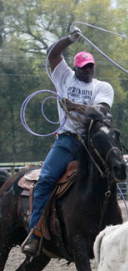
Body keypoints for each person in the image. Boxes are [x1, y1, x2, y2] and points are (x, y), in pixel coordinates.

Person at [22, 28, 114, 255]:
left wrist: (75, 106)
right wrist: (69, 39)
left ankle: (114, 224)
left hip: (92, 142)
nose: (89, 70)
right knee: (46, 179)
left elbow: (101, 112)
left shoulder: (102, 87)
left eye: (91, 66)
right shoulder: (64, 77)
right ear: (76, 68)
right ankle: (36, 232)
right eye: (84, 67)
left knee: (114, 169)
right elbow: (52, 55)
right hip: (67, 140)